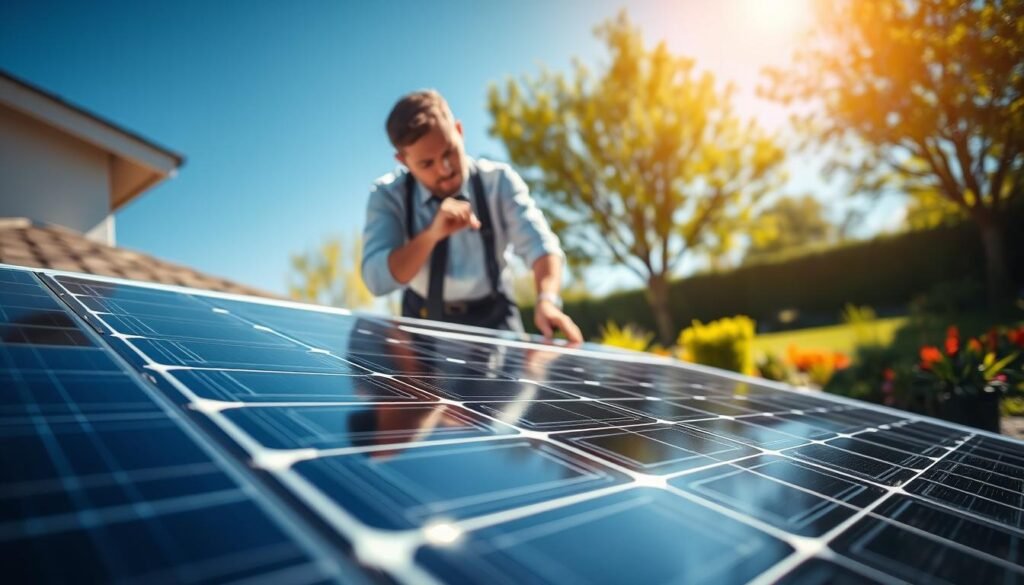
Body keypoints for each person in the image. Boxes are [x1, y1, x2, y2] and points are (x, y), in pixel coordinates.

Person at [361, 89, 583, 343]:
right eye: (427, 164)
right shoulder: (387, 196)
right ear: (403, 161)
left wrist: (547, 300)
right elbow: (377, 281)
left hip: (496, 319)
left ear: (459, 130)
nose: (445, 170)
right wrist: (432, 235)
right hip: (421, 322)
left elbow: (541, 246)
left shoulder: (499, 182)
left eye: (449, 152)